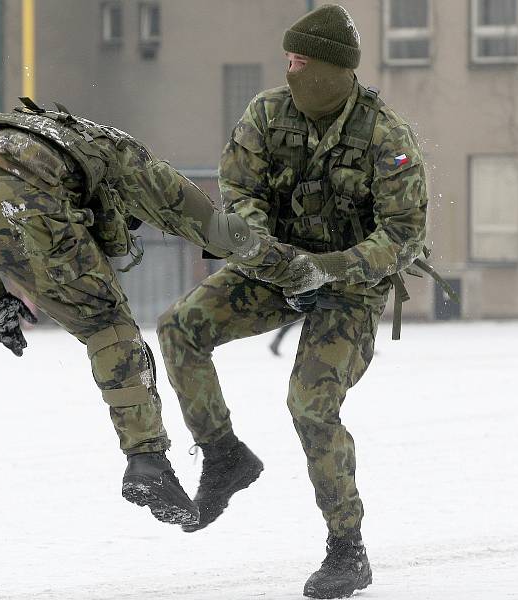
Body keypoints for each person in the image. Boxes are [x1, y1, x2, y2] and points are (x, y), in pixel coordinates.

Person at [0, 91, 286, 533]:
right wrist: (286, 265)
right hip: (23, 199)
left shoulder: (10, 132)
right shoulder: (123, 155)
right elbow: (214, 230)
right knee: (109, 326)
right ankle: (147, 461)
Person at [157, 4, 428, 598]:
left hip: (349, 289)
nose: (291, 69)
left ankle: (346, 549)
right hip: (275, 270)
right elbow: (239, 193)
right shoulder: (266, 113)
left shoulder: (387, 135)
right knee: (179, 327)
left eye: (302, 60)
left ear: (334, 68)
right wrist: (267, 252)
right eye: (289, 59)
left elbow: (403, 237)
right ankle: (223, 455)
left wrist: (328, 268)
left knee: (309, 405)